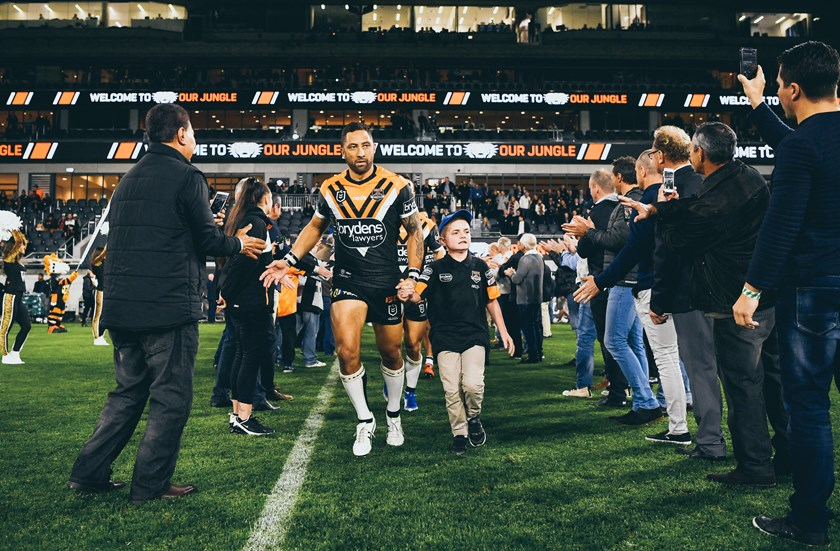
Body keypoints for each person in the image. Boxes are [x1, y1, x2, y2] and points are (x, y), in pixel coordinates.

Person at [68, 103, 265, 504]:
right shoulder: (187, 175)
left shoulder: (128, 178)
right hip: (166, 308)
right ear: (180, 134)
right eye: (193, 131)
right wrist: (240, 243)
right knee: (171, 398)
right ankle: (151, 485)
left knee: (126, 394)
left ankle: (88, 473)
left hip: (123, 309)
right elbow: (208, 241)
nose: (195, 138)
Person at [622, 122, 788, 480]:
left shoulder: (715, 199)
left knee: (742, 385)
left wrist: (662, 213)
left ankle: (755, 465)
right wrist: (659, 211)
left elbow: (681, 241)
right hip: (765, 296)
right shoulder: (748, 177)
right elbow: (697, 210)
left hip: (733, 301)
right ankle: (788, 454)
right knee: (774, 381)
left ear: (701, 153)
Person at [260, 122, 424, 457]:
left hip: (387, 284)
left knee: (392, 354)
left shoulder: (397, 186)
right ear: (342, 150)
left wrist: (412, 275)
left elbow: (415, 232)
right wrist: (289, 260)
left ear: (374, 147)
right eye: (353, 147)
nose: (360, 153)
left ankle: (393, 415)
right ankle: (365, 420)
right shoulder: (331, 188)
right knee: (347, 352)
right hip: (348, 281)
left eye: (365, 145)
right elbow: (315, 227)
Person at [733, 41, 840, 547]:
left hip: (814, 293)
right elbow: (803, 148)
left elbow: (782, 226)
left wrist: (752, 289)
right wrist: (758, 103)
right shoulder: (811, 141)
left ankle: (810, 520)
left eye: (777, 85)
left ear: (794, 89)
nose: (775, 89)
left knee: (811, 407)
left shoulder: (805, 145)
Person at [576, 149, 689, 445]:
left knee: (662, 356)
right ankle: (667, 410)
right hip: (675, 286)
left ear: (641, 172)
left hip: (651, 286)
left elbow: (631, 249)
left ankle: (673, 423)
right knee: (671, 355)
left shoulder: (645, 201)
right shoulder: (672, 195)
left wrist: (600, 279)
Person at [403, 210, 514, 454]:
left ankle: (474, 418)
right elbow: (417, 294)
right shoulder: (433, 269)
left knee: (473, 385)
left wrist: (503, 332)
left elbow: (492, 302)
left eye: (466, 231)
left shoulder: (481, 267)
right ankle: (459, 433)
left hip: (475, 335)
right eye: (455, 232)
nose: (463, 236)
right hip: (443, 337)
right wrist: (407, 293)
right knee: (452, 390)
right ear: (442, 240)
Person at [220, 177, 279, 436]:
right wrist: (227, 291)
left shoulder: (241, 219)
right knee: (249, 355)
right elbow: (243, 264)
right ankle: (244, 416)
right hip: (250, 300)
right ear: (263, 198)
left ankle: (238, 415)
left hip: (241, 299)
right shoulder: (256, 223)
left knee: (242, 354)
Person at [386, 208, 445, 411]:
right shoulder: (384, 221)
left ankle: (410, 391)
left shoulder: (426, 225)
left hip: (414, 291)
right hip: (390, 288)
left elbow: (440, 252)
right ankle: (391, 380)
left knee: (413, 344)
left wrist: (424, 280)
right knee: (391, 346)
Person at [504, 233, 543, 364]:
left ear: (524, 245)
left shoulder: (525, 260)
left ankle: (533, 355)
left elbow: (517, 279)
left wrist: (511, 273)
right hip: (536, 297)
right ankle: (538, 352)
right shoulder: (539, 258)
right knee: (536, 326)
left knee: (528, 328)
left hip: (525, 298)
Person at [0, 229, 31, 365]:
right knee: (5, 328)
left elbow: (22, 243)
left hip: (18, 297)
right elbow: (19, 242)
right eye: (22, 245)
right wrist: (14, 229)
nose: (24, 247)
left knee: (26, 326)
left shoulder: (18, 263)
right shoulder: (9, 260)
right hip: (10, 296)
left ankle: (15, 352)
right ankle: (5, 355)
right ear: (15, 248)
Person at [90, 247, 108, 346]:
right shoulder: (96, 262)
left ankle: (101, 336)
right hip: (100, 291)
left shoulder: (105, 264)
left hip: (107, 291)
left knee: (105, 316)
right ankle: (96, 338)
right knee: (98, 315)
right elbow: (102, 255)